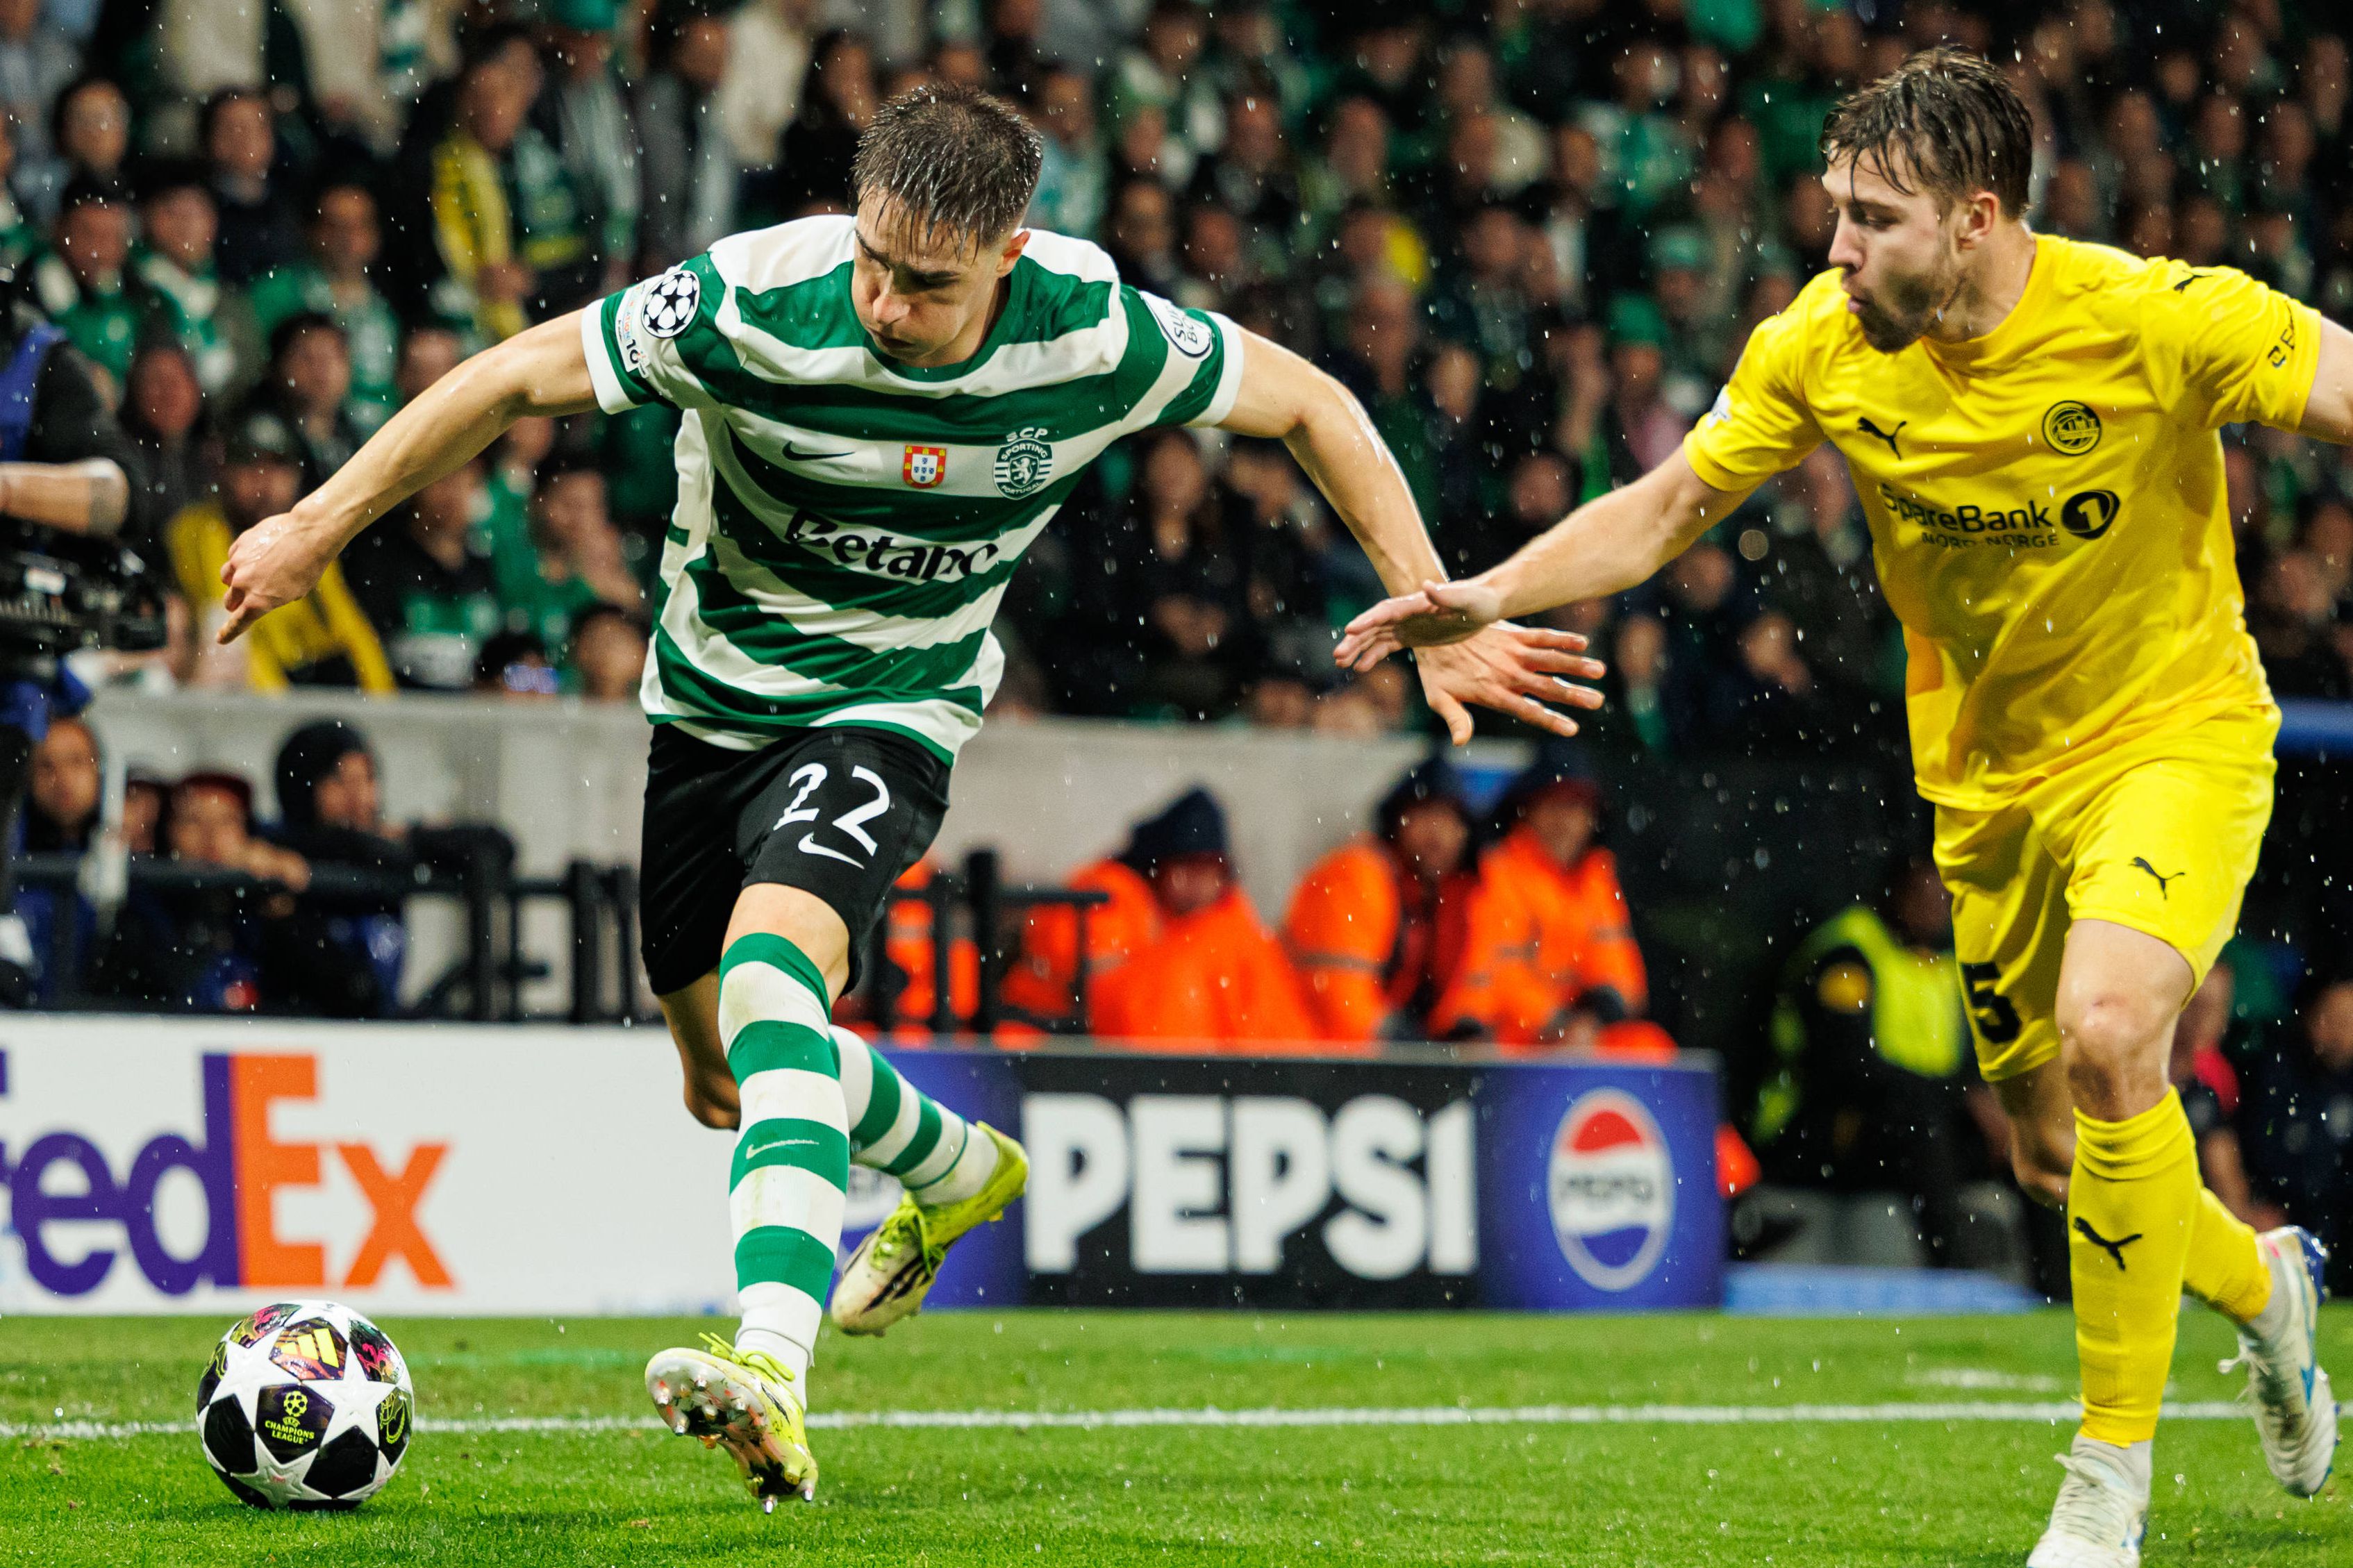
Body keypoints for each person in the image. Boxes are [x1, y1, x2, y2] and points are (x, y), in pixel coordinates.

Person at [209, 82, 1594, 1508]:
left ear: (1009, 254)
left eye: (923, 286)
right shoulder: (751, 300)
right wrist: (318, 525)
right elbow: (506, 378)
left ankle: (768, 1367)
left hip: (888, 715)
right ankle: (953, 1167)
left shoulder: (1093, 331)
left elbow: (1312, 402)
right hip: (702, 710)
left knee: (767, 983)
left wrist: (1427, 597)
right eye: (871, 261)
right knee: (724, 1076)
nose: (881, 302)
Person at [1336, 47, 2347, 1563]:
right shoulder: (1821, 342)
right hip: (1985, 784)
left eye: (1870, 217)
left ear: (1975, 218)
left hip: (2172, 737)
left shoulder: (2152, 318)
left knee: (2112, 1027)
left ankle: (2105, 1480)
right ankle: (2265, 1289)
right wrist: (1477, 590)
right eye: (1832, 211)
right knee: (2054, 1155)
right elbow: (1666, 504)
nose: (1834, 246)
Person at [1754, 858, 1979, 1265]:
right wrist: (1959, 1096)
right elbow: (1847, 1066)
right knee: (1920, 1124)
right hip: (1818, 1128)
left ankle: (2055, 1293)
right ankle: (1956, 1274)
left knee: (2029, 1131)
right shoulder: (1848, 955)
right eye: (1923, 896)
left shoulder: (1948, 965)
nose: (1936, 908)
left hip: (1911, 1124)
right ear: (1895, 894)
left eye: (1945, 897)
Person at [1429, 750, 1647, 1049]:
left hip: (1574, 1035)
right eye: (1554, 806)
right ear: (1528, 811)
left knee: (1649, 1046)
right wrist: (1556, 1023)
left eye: (1577, 809)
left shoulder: (1597, 875)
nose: (1566, 822)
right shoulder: (1497, 869)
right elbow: (1499, 974)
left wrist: (1593, 1018)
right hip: (1500, 1032)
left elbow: (1620, 968)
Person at [167, 414, 393, 692]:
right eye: (251, 464)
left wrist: (382, 708)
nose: (265, 481)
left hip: (304, 679)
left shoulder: (305, 532)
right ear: (225, 472)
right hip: (249, 696)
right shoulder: (201, 529)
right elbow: (232, 624)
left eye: (278, 466)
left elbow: (351, 631)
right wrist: (282, 714)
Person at [1089, 787, 1318, 1047]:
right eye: (1191, 868)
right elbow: (1112, 1005)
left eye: (1214, 870)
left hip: (1216, 1066)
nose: (1203, 883)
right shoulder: (1113, 893)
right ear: (1162, 866)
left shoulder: (1225, 923)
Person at [1284, 756, 1475, 1043]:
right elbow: (1340, 1003)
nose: (1438, 834)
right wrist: (1410, 1046)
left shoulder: (1441, 891)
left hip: (1349, 1058)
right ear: (1396, 821)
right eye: (1426, 816)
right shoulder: (1357, 874)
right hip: (1302, 1052)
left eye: (1451, 821)